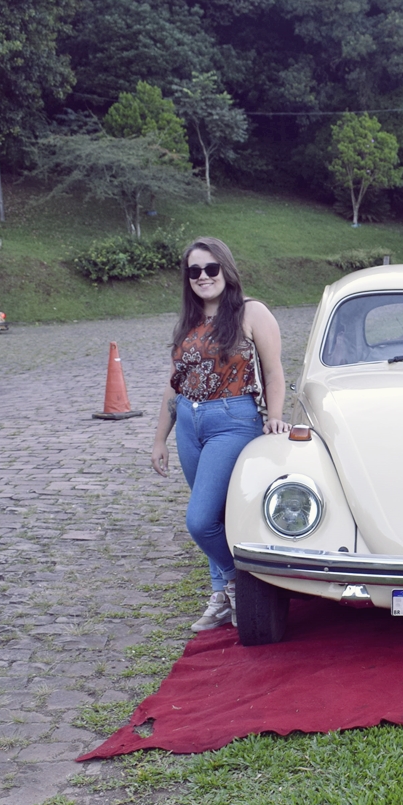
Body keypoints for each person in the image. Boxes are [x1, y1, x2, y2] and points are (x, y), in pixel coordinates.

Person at [150, 237, 290, 631]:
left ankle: (234, 580)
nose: (203, 276)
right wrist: (160, 438)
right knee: (213, 514)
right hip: (188, 422)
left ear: (225, 269)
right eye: (194, 271)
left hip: (232, 421)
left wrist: (275, 416)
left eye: (210, 268)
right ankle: (221, 596)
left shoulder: (251, 312)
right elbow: (174, 385)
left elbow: (274, 370)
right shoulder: (188, 321)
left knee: (200, 520)